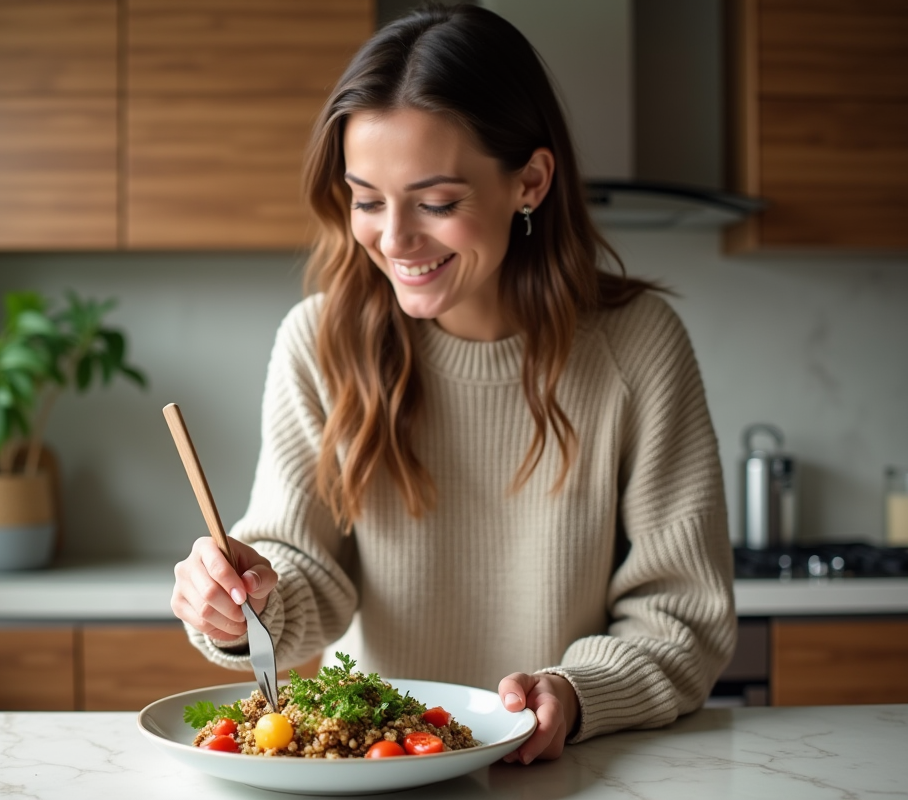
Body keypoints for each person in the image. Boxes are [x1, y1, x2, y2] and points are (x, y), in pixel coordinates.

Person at [171, 3, 736, 764]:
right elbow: (306, 572)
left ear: (530, 182)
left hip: (572, 771)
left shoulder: (638, 347)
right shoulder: (321, 341)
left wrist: (574, 693)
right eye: (367, 200)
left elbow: (683, 619)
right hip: (381, 767)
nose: (394, 239)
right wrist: (246, 604)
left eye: (436, 202)